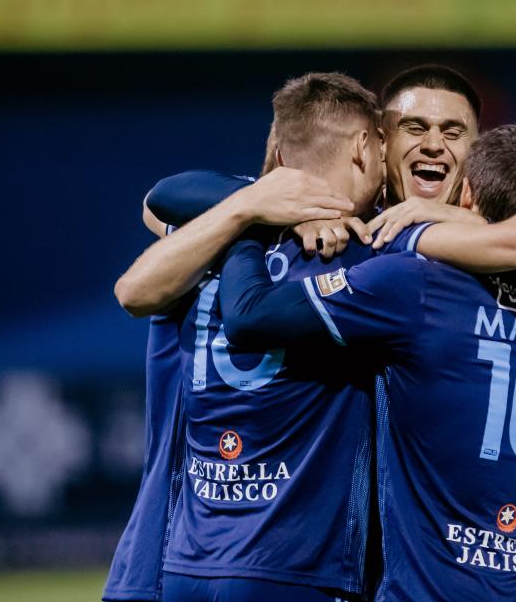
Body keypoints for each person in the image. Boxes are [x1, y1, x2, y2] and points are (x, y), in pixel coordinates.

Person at [213, 124, 516, 601]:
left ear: (466, 193)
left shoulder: (415, 283)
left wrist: (246, 228)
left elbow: (252, 318)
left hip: (430, 587)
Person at [103, 130, 353, 601]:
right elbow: (134, 283)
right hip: (188, 552)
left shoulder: (212, 228)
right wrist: (255, 209)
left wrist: (255, 212)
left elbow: (156, 205)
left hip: (181, 560)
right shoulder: (216, 228)